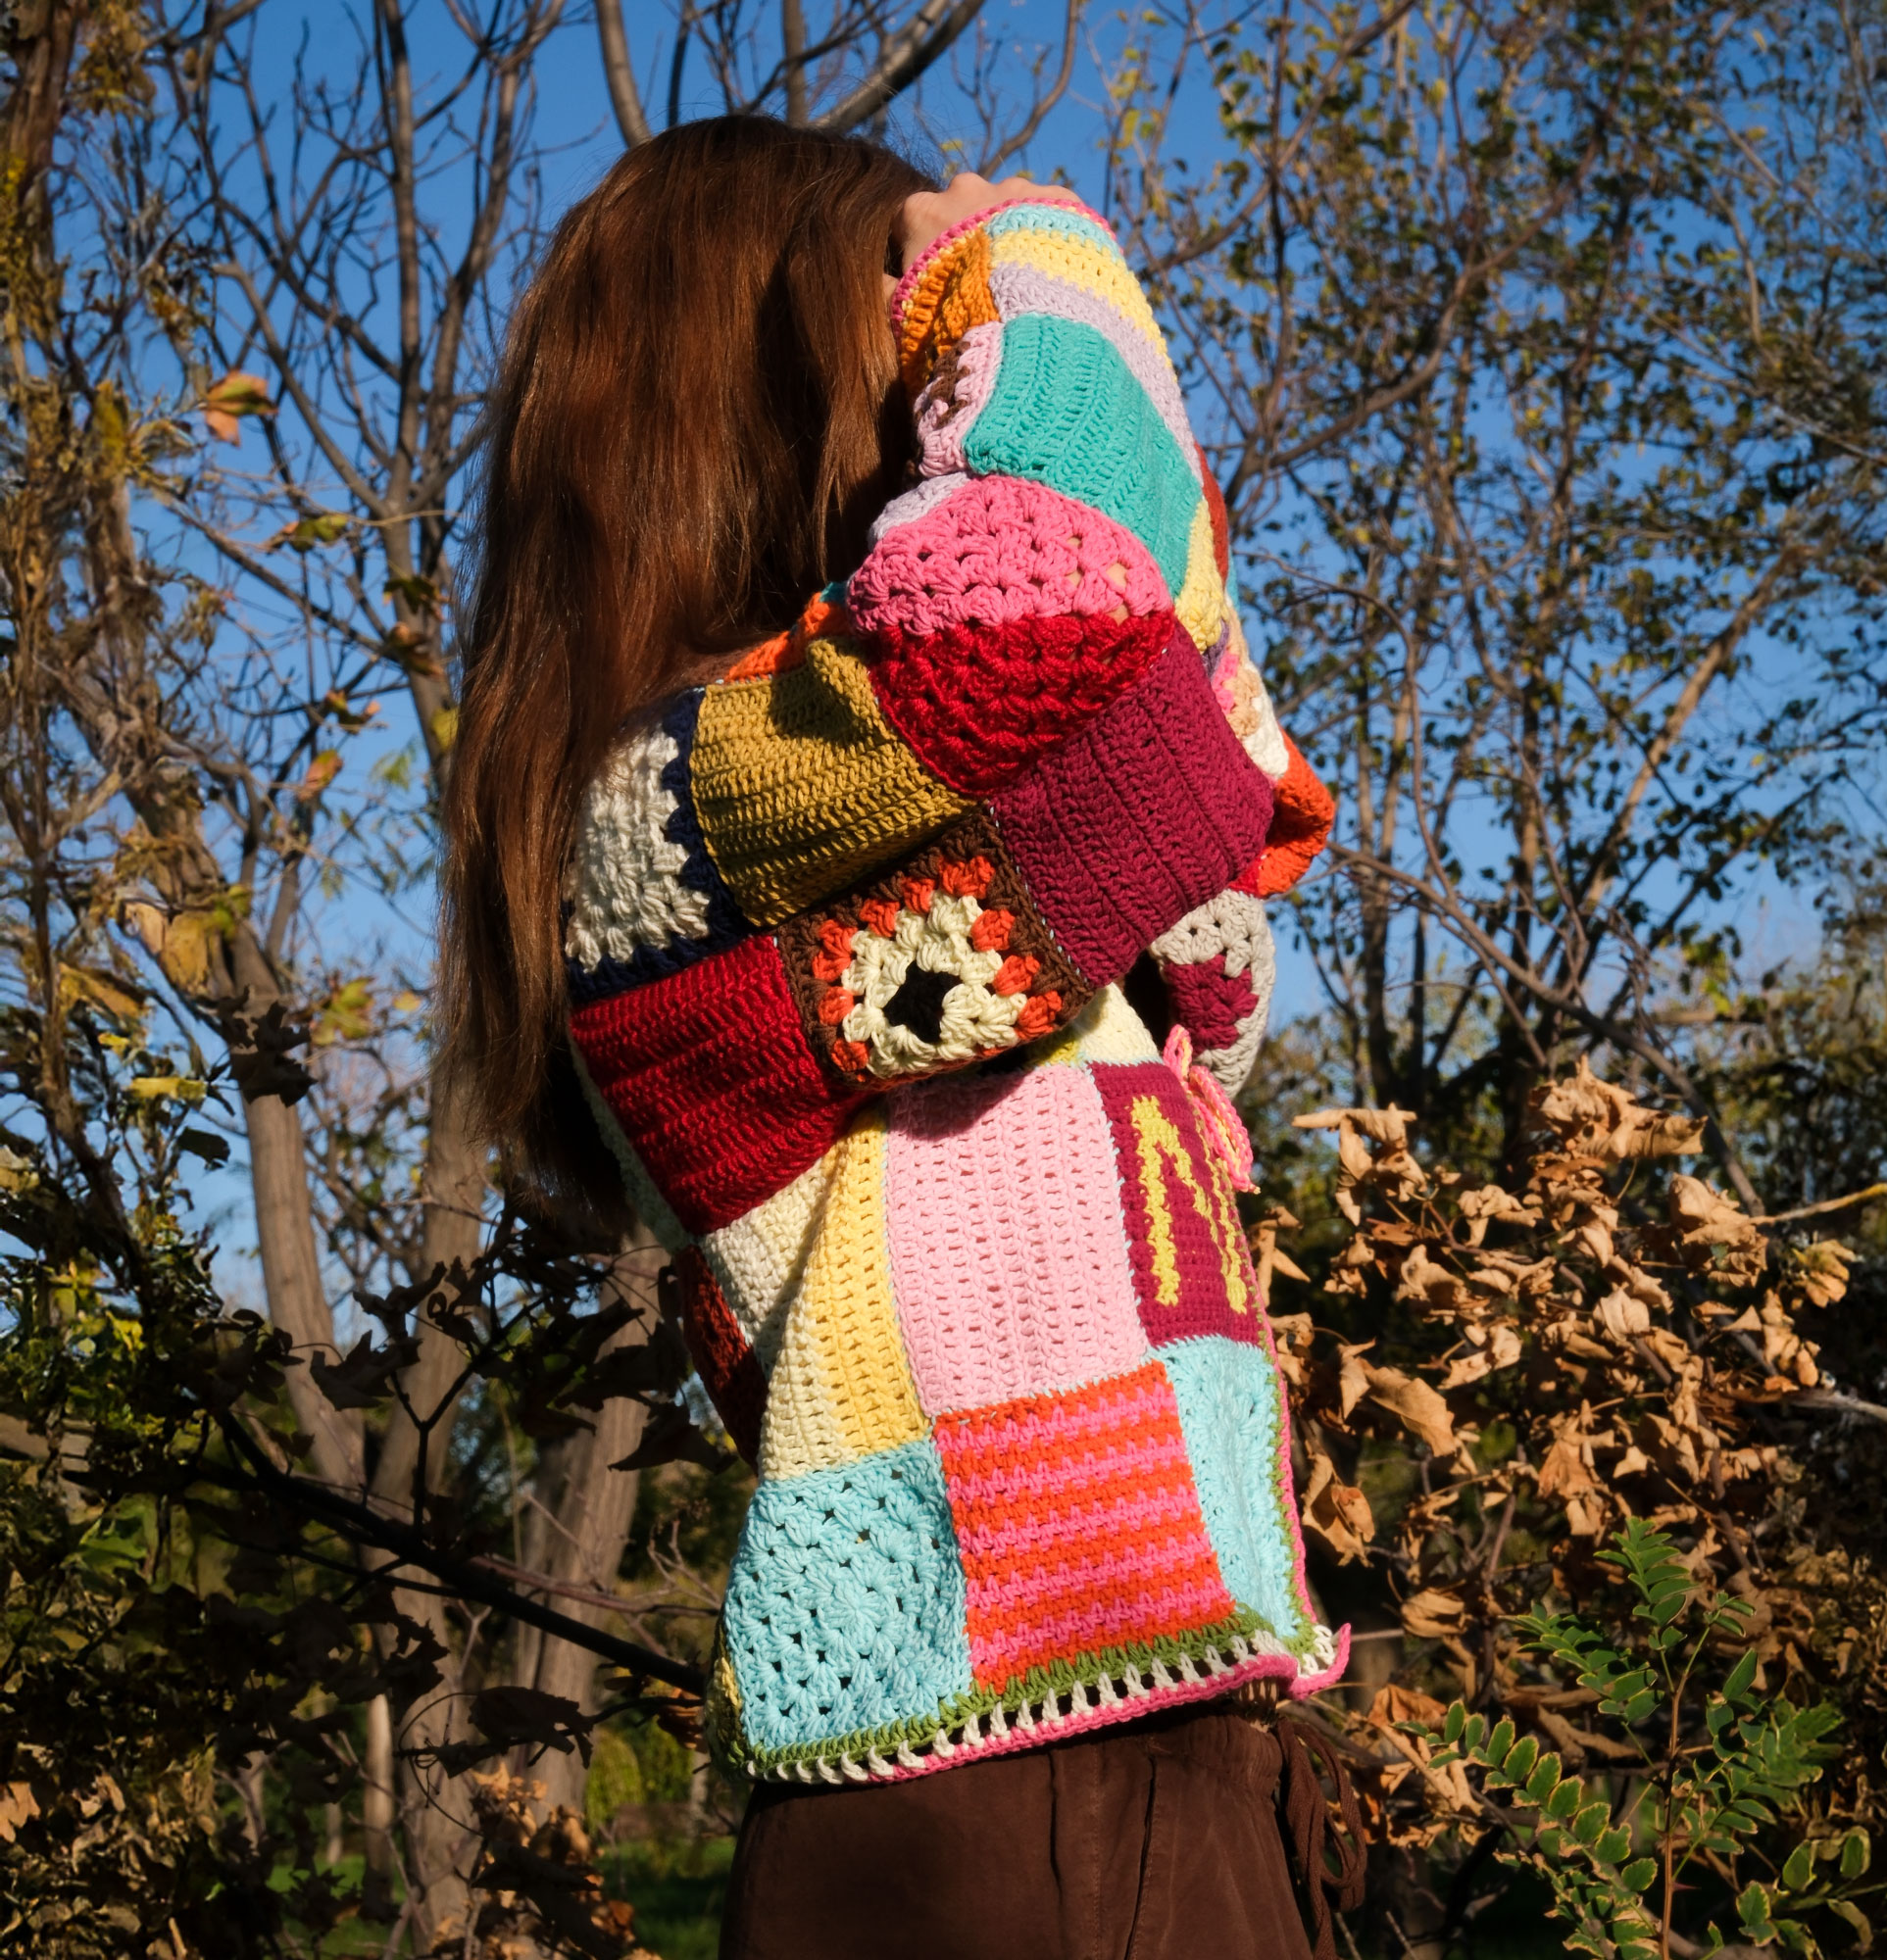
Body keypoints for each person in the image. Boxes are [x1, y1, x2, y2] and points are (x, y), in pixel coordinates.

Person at [439, 113, 1362, 1960]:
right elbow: (1064, 597)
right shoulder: (669, 818)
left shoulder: (872, 786)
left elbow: (1221, 790)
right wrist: (1042, 249)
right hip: (976, 1825)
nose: (947, 367)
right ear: (790, 400)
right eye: (913, 334)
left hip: (1173, 1779)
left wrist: (1025, 337)